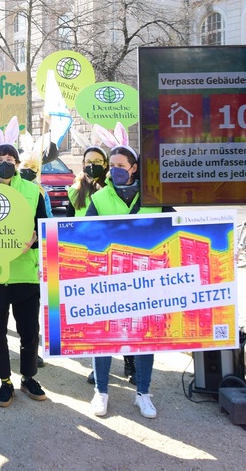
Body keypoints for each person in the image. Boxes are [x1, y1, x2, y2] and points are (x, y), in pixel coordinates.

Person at [86, 138, 173, 419]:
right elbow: (84, 235)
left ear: (134, 168)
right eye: (111, 165)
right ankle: (101, 392)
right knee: (104, 336)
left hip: (146, 281)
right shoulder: (99, 199)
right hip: (109, 279)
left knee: (144, 337)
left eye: (120, 165)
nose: (114, 170)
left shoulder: (155, 198)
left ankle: (143, 394)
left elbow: (178, 229)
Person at [0, 117, 48, 408]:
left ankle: (28, 377)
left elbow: (43, 228)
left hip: (24, 273)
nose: (4, 163)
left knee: (29, 332)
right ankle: (4, 381)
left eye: (9, 159)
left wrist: (35, 240)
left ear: (18, 164)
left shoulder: (32, 191)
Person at [66, 145, 134, 384]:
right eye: (88, 161)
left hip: (119, 258)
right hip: (92, 259)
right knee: (99, 318)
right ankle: (100, 366)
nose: (92, 165)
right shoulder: (74, 192)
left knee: (125, 315)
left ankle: (130, 361)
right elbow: (69, 226)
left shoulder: (114, 190)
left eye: (97, 161)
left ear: (105, 165)